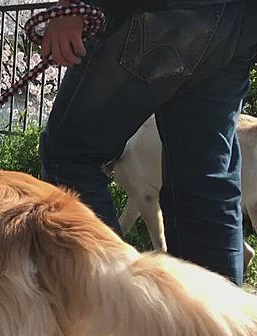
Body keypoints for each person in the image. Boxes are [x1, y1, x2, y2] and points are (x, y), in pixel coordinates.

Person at [38, 0, 257, 286]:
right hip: (239, 21)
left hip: (154, 14)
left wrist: (71, 6)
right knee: (204, 186)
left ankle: (116, 303)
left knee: (69, 155)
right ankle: (220, 327)